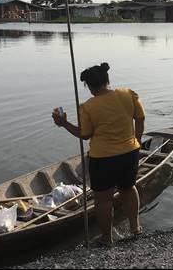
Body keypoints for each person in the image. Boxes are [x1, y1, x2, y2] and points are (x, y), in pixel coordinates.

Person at [52, 62, 145, 245]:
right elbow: (140, 118)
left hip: (102, 159)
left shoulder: (88, 107)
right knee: (128, 188)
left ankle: (106, 238)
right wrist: (137, 141)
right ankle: (135, 228)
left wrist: (64, 124)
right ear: (107, 79)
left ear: (89, 86)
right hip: (130, 153)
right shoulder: (129, 94)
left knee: (103, 199)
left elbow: (85, 135)